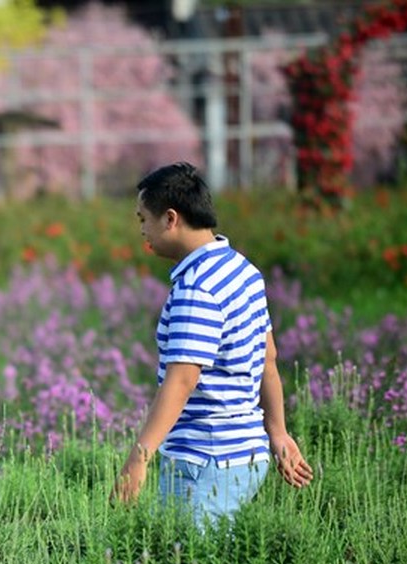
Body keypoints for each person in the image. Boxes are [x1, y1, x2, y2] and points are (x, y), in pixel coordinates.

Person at [112, 162, 313, 529]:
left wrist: (138, 458)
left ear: (171, 218)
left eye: (143, 219)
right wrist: (278, 431)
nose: (142, 230)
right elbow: (269, 358)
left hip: (204, 459)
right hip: (246, 456)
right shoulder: (243, 270)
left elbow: (183, 379)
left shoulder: (197, 288)